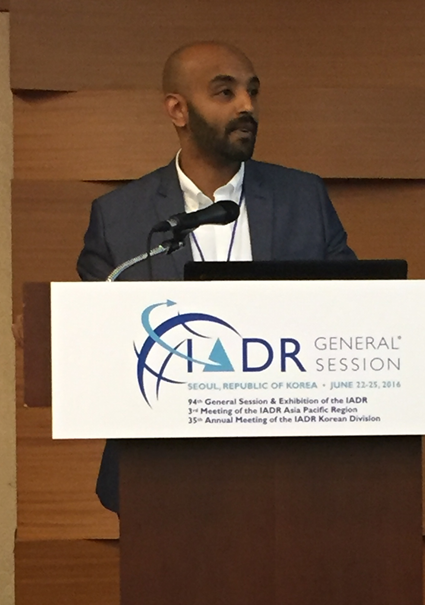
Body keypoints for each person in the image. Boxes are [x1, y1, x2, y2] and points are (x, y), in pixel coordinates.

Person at [77, 41, 356, 512]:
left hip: (294, 473)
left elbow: (357, 310)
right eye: (225, 92)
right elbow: (100, 344)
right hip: (163, 477)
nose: (247, 105)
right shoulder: (119, 218)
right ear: (178, 110)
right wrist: (56, 332)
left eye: (252, 91)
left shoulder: (302, 198)